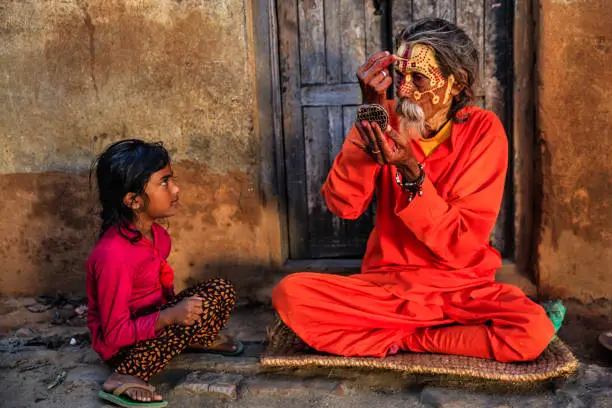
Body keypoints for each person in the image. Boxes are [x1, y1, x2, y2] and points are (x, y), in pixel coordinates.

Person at [272, 18, 556, 363]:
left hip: (461, 288)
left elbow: (462, 245)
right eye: (401, 77)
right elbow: (343, 206)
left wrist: (410, 170)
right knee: (291, 294)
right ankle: (430, 335)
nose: (403, 90)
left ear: (456, 83)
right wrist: (369, 118)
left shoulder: (484, 130)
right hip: (388, 287)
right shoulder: (383, 115)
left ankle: (404, 337)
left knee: (532, 331)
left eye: (417, 78)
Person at [87, 139, 243, 407]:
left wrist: (174, 313)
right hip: (123, 348)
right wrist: (171, 316)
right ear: (134, 200)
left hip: (153, 323)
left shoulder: (158, 236)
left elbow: (163, 294)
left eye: (172, 179)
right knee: (186, 315)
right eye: (164, 182)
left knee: (221, 290)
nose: (176, 188)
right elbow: (114, 335)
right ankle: (125, 375)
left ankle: (190, 337)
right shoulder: (114, 255)